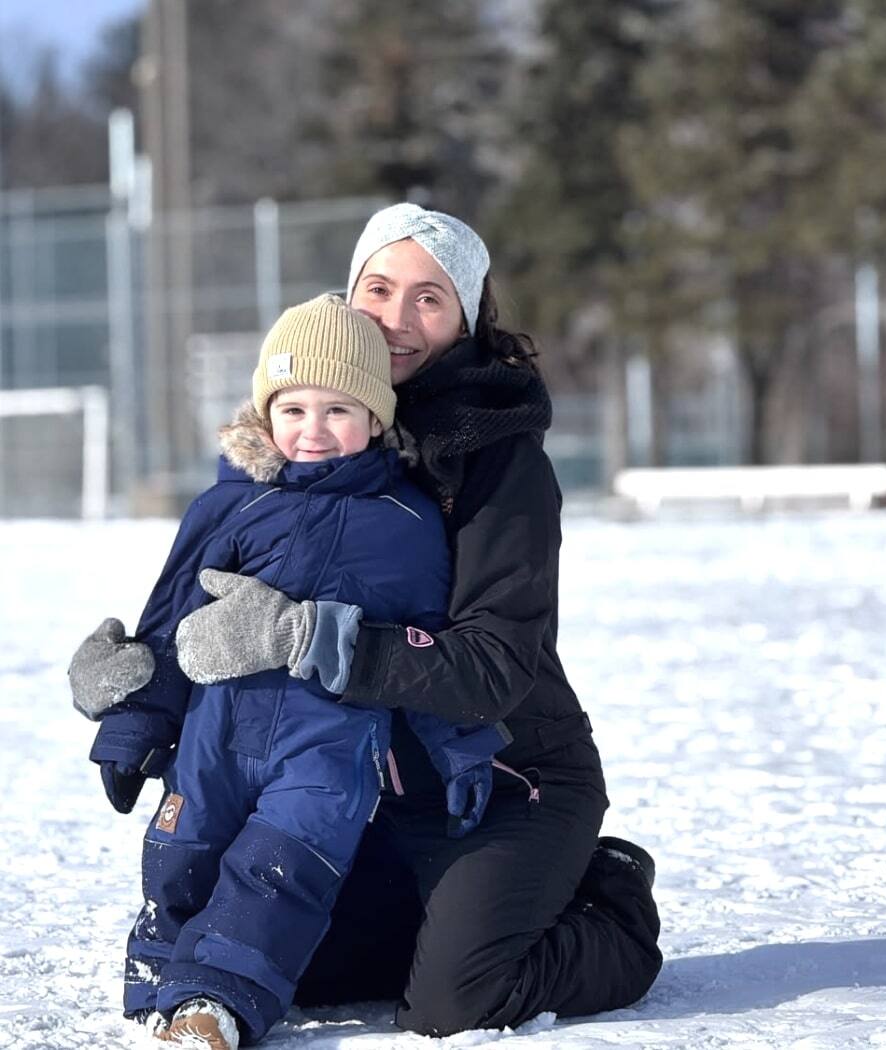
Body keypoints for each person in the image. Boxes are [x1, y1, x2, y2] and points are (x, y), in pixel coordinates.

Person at [69, 203, 662, 1039]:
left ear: (466, 319)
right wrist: (134, 694)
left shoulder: (499, 457)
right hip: (373, 783)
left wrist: (307, 637)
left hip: (505, 773)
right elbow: (194, 613)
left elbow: (493, 665)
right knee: (289, 962)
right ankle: (456, 912)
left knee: (453, 1001)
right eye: (379, 289)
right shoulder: (308, 430)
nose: (397, 316)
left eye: (430, 298)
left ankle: (611, 901)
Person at [82, 293, 509, 1048]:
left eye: (338, 410)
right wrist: (132, 727)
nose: (313, 430)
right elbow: (170, 625)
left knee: (281, 866)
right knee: (181, 853)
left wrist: (462, 747)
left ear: (375, 417)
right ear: (265, 413)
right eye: (293, 409)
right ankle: (160, 980)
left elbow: (428, 645)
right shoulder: (229, 506)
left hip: (329, 744)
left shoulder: (407, 525)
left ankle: (213, 1005)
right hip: (216, 733)